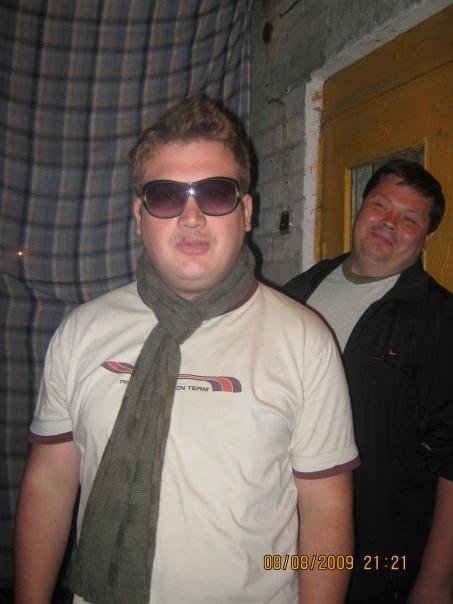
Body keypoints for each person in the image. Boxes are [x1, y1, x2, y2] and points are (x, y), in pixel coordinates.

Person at [14, 97, 359, 604]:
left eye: (215, 194)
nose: (192, 217)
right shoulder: (82, 331)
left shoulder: (304, 341)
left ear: (246, 212)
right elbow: (50, 482)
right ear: (139, 215)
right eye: (166, 196)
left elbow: (325, 508)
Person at [285, 159, 453, 604]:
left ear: (426, 239)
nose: (390, 222)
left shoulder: (440, 321)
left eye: (410, 219)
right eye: (381, 205)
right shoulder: (298, 292)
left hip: (377, 559)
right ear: (360, 209)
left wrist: (436, 583)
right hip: (282, 539)